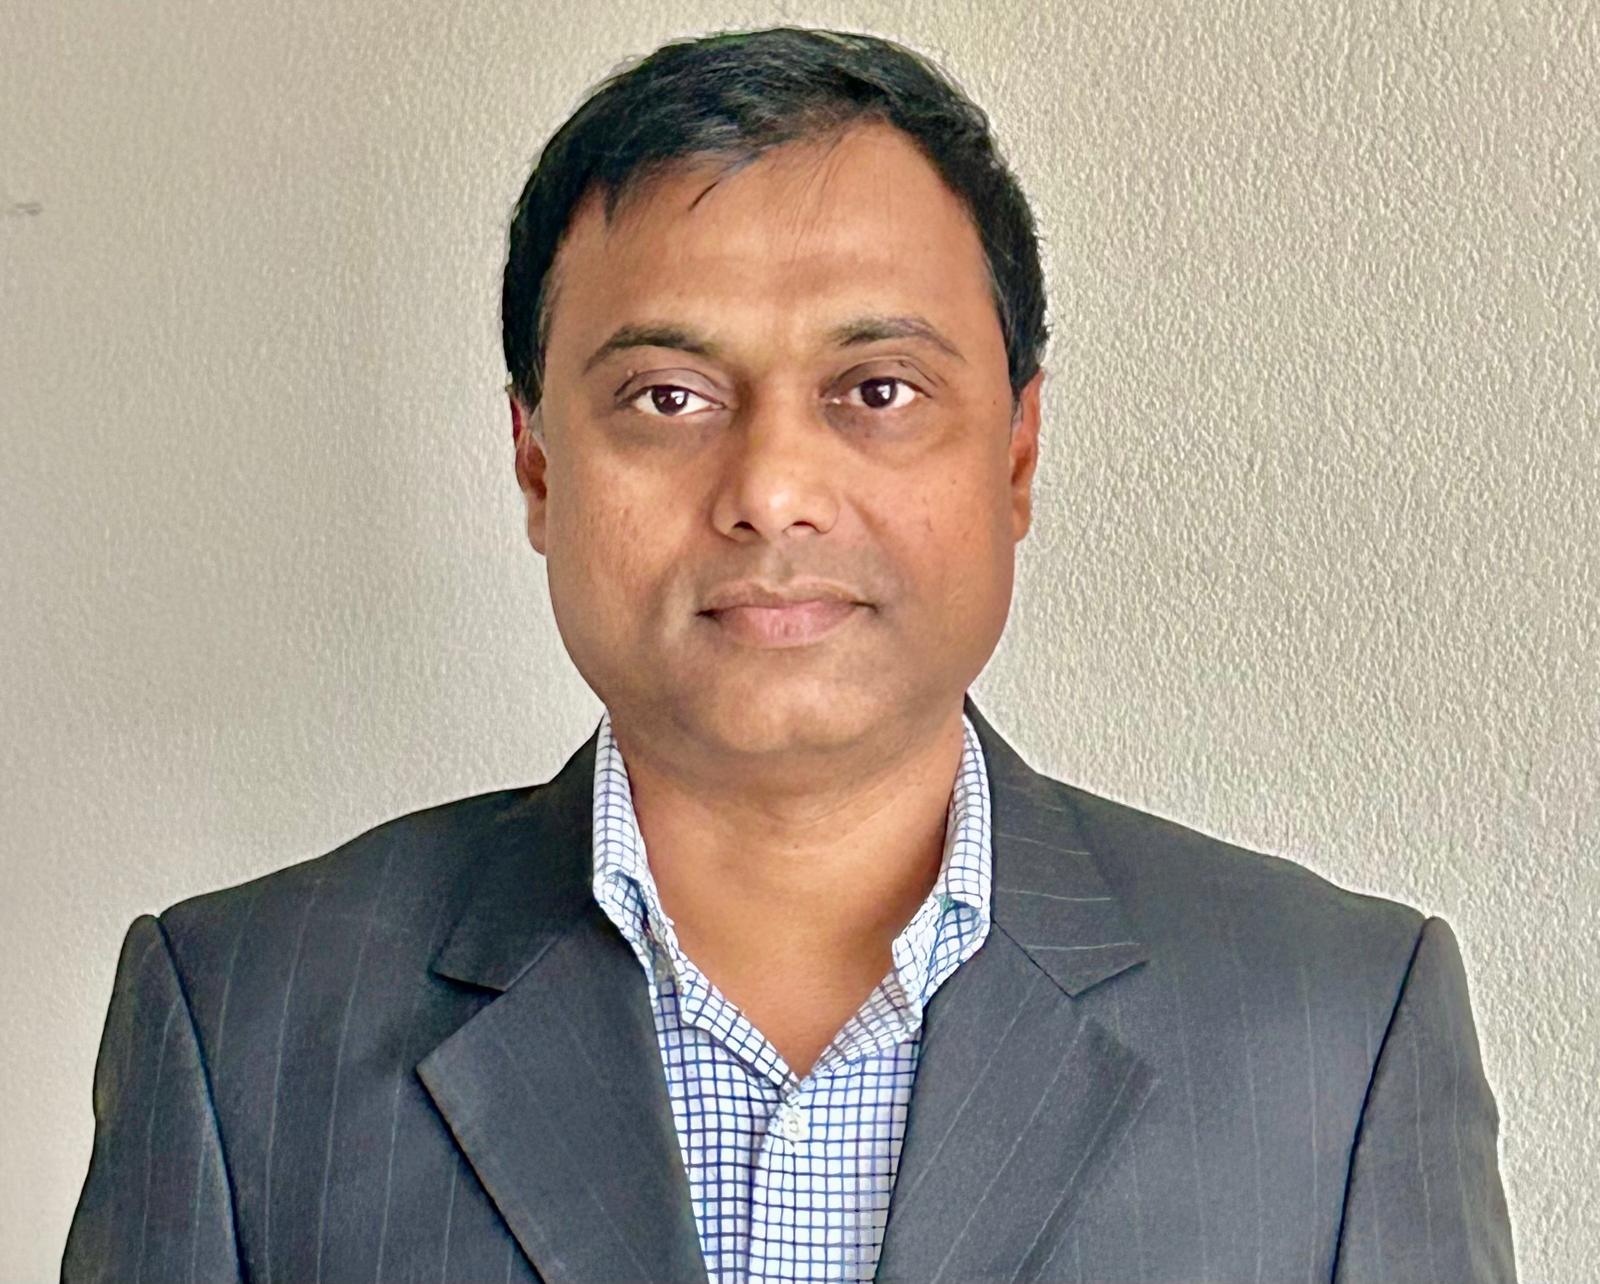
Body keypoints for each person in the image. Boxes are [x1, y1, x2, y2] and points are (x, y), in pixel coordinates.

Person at [62, 25, 1515, 1284]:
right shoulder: (241, 1024)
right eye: (669, 396)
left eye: (877, 390)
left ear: (1016, 453)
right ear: (536, 462)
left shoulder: (1337, 1031)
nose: (771, 489)